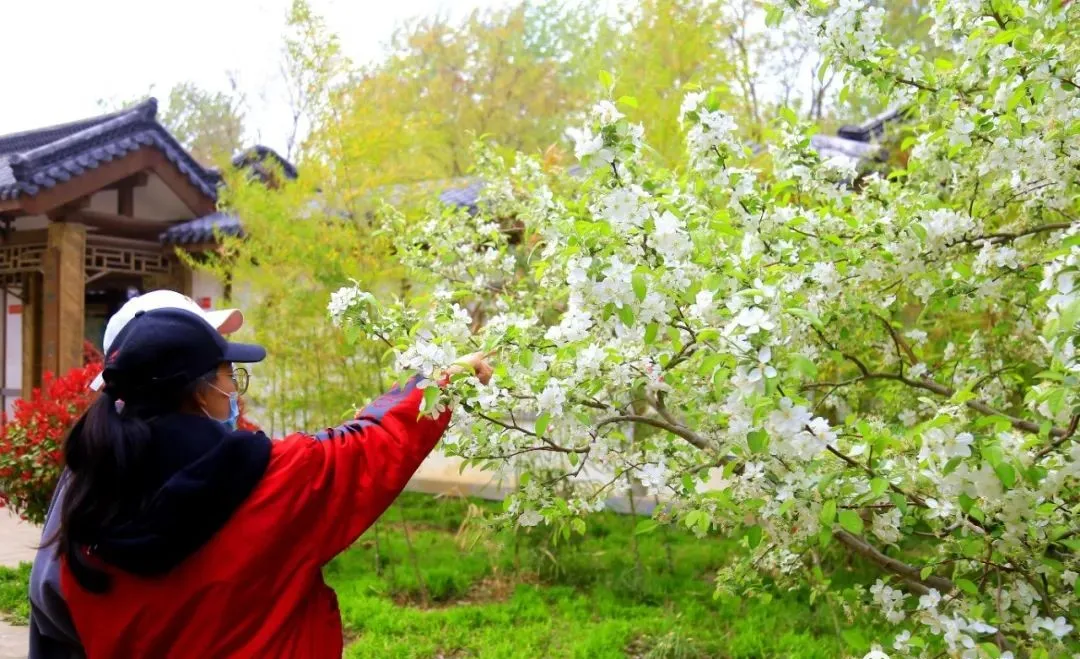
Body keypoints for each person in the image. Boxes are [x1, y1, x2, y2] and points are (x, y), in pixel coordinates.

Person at [32, 305, 490, 658]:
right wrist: (443, 379)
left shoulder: (84, 509)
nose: (235, 389)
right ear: (200, 391)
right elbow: (377, 440)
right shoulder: (278, 479)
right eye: (230, 374)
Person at [30, 291, 248, 659]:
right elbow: (54, 591)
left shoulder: (199, 450)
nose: (230, 384)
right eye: (216, 368)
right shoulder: (112, 458)